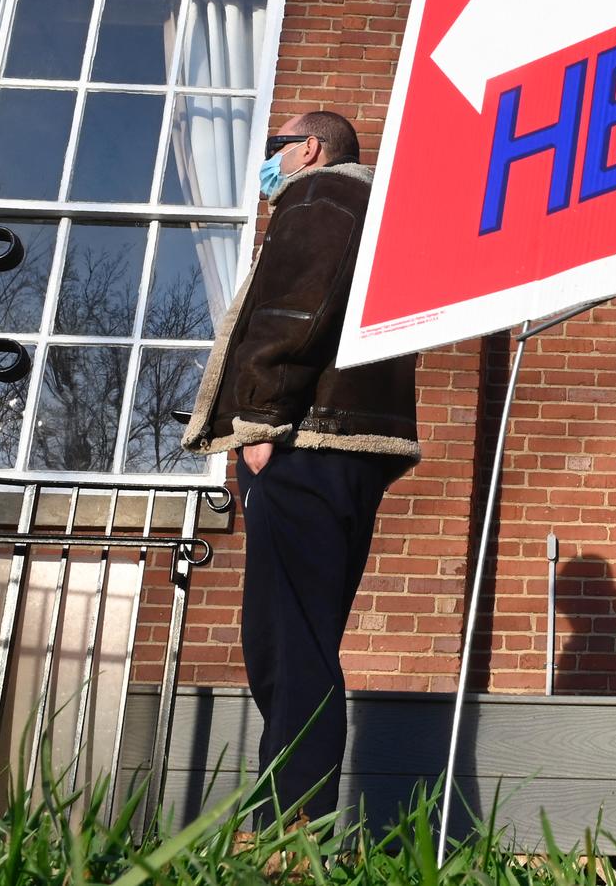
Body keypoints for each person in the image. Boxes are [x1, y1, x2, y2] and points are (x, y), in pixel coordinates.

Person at [182, 110, 419, 821]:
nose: (269, 161)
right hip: (341, 446)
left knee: (288, 643)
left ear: (308, 149)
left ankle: (290, 826)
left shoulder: (320, 196)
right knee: (294, 638)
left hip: (303, 441)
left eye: (275, 147)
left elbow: (294, 310)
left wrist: (258, 418)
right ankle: (288, 816)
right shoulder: (371, 211)